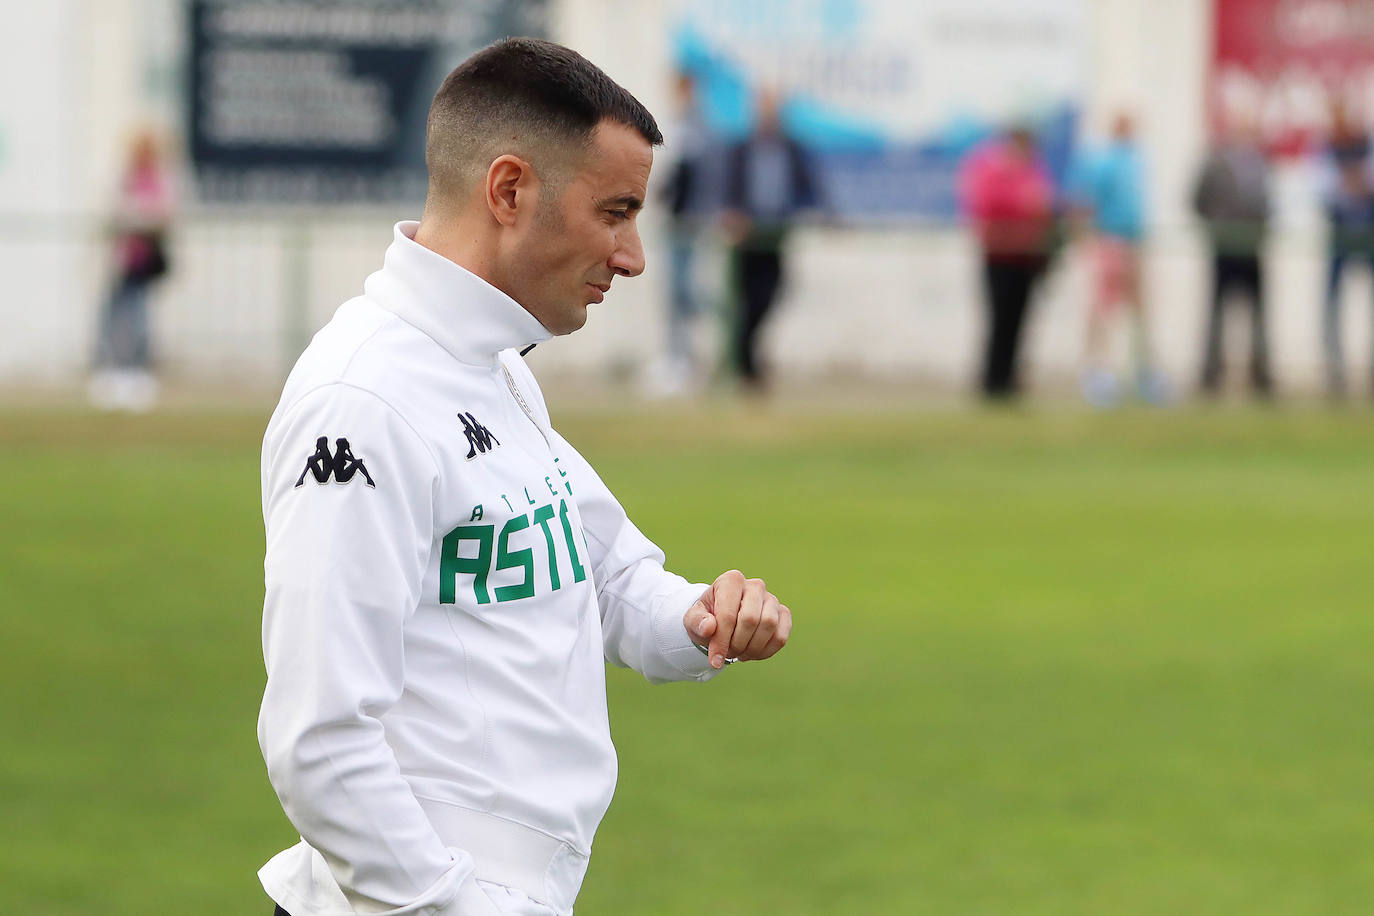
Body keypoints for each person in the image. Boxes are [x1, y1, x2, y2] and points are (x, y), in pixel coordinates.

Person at [256, 39, 792, 916]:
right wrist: (449, 904)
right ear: (509, 191)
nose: (633, 255)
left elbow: (607, 572)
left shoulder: (492, 366)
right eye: (615, 211)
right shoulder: (362, 398)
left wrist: (700, 619)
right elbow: (317, 739)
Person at [720, 88, 821, 392]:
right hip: (746, 239)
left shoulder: (792, 148)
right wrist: (732, 215)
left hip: (777, 236)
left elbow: (809, 187)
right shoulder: (741, 148)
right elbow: (728, 188)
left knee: (769, 297)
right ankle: (746, 369)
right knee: (744, 301)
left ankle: (748, 363)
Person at [1067, 112, 1168, 406]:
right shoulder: (1102, 162)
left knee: (1140, 309)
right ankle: (1098, 373)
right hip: (1109, 240)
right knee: (1103, 309)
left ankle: (1144, 372)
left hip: (1134, 240)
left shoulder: (1136, 161)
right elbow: (1083, 201)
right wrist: (1085, 239)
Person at [958, 125, 1056, 399]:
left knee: (1019, 319)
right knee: (998, 318)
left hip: (1027, 254)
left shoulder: (1032, 169)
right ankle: (993, 379)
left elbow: (1043, 206)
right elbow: (987, 205)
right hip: (998, 253)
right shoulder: (990, 168)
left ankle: (1011, 378)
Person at [89, 127, 174, 411]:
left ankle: (138, 372)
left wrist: (136, 216)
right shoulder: (125, 177)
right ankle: (111, 371)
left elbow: (162, 214)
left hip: (143, 262)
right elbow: (112, 211)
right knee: (112, 315)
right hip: (121, 261)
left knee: (139, 317)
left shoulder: (159, 179)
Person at [644, 70, 716, 396]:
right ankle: (678, 357)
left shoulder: (700, 128)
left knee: (687, 294)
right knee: (676, 294)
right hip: (675, 223)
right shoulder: (677, 124)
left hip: (691, 224)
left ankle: (686, 358)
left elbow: (699, 176)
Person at [1192, 115, 1274, 397]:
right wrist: (1217, 227)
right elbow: (1197, 200)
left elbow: (1269, 202)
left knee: (1258, 313)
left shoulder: (1261, 163)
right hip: (1225, 246)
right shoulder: (1216, 163)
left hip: (1252, 247)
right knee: (1217, 312)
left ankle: (1260, 372)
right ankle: (1211, 372)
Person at [1317, 96, 1374, 398]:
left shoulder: (1368, 145)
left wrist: (1355, 183)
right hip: (1339, 237)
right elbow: (1324, 188)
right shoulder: (1328, 149)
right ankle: (1334, 368)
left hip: (1368, 236)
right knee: (1333, 303)